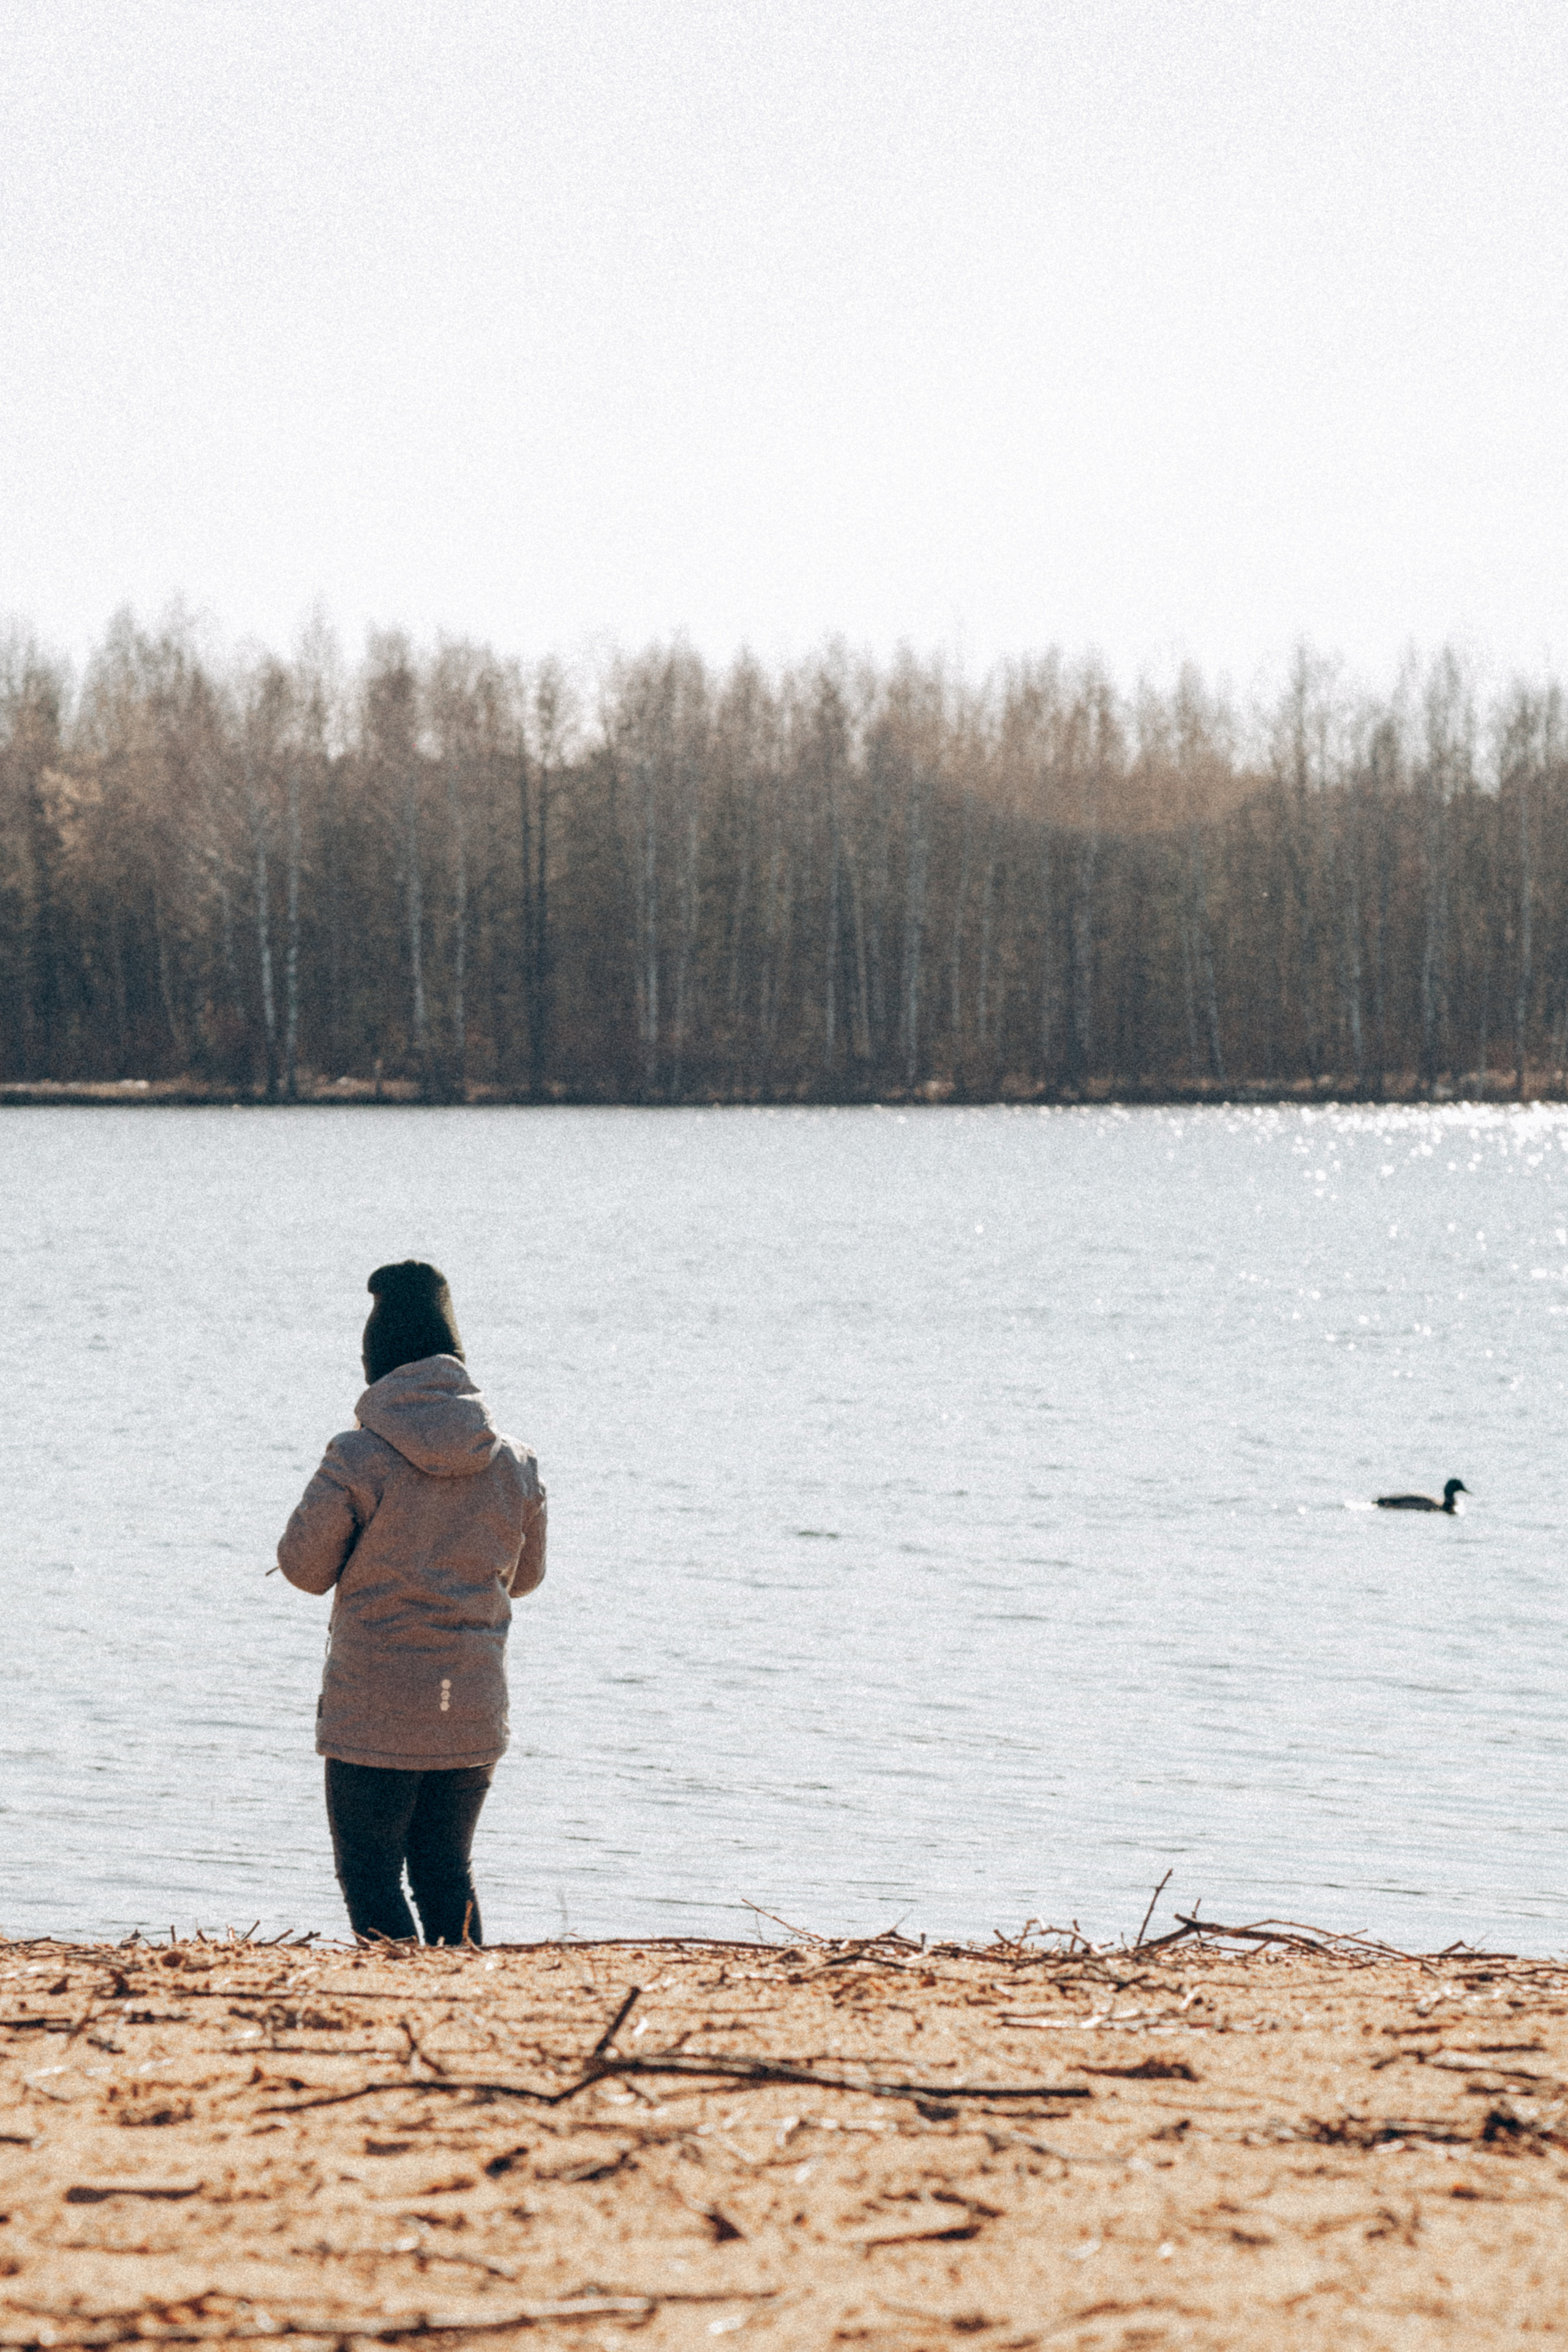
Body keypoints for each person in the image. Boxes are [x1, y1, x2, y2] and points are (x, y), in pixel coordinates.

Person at [277, 1261, 546, 1945]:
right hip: (470, 1701)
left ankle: (395, 1993)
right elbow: (524, 1579)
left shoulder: (357, 1456)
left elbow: (305, 1571)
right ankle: (464, 1988)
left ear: (377, 1364)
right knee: (446, 1870)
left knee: (370, 1873)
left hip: (376, 1704)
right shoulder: (514, 1462)